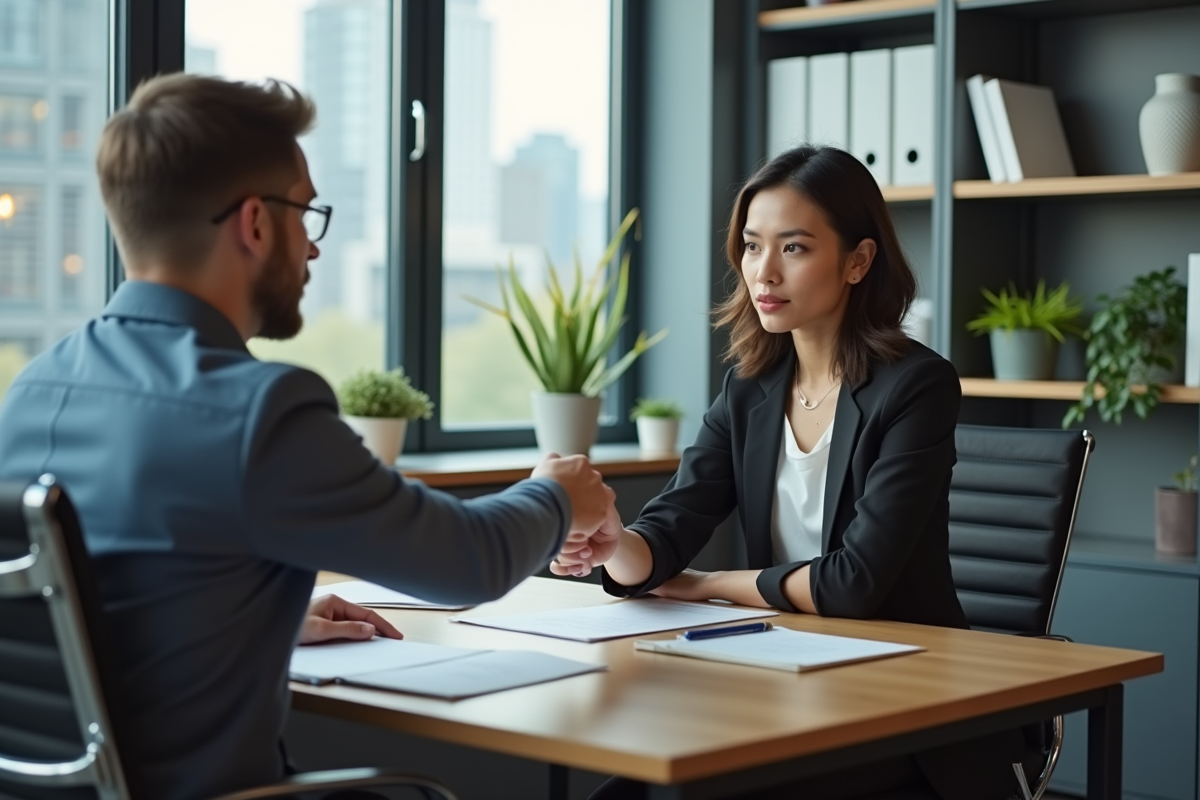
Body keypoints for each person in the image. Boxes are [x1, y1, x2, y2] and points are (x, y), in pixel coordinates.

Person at [0, 74, 614, 800]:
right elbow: (465, 563)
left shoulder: (32, 390)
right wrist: (556, 493)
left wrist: (258, 621)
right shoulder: (257, 410)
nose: (314, 249)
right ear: (255, 224)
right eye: (306, 214)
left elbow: (92, 603)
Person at [556, 146, 1022, 800]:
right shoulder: (750, 390)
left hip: (906, 709)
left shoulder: (917, 387)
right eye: (751, 246)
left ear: (858, 261)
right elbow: (666, 532)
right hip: (786, 676)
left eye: (794, 248)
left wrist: (707, 585)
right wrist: (616, 542)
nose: (763, 272)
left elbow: (854, 585)